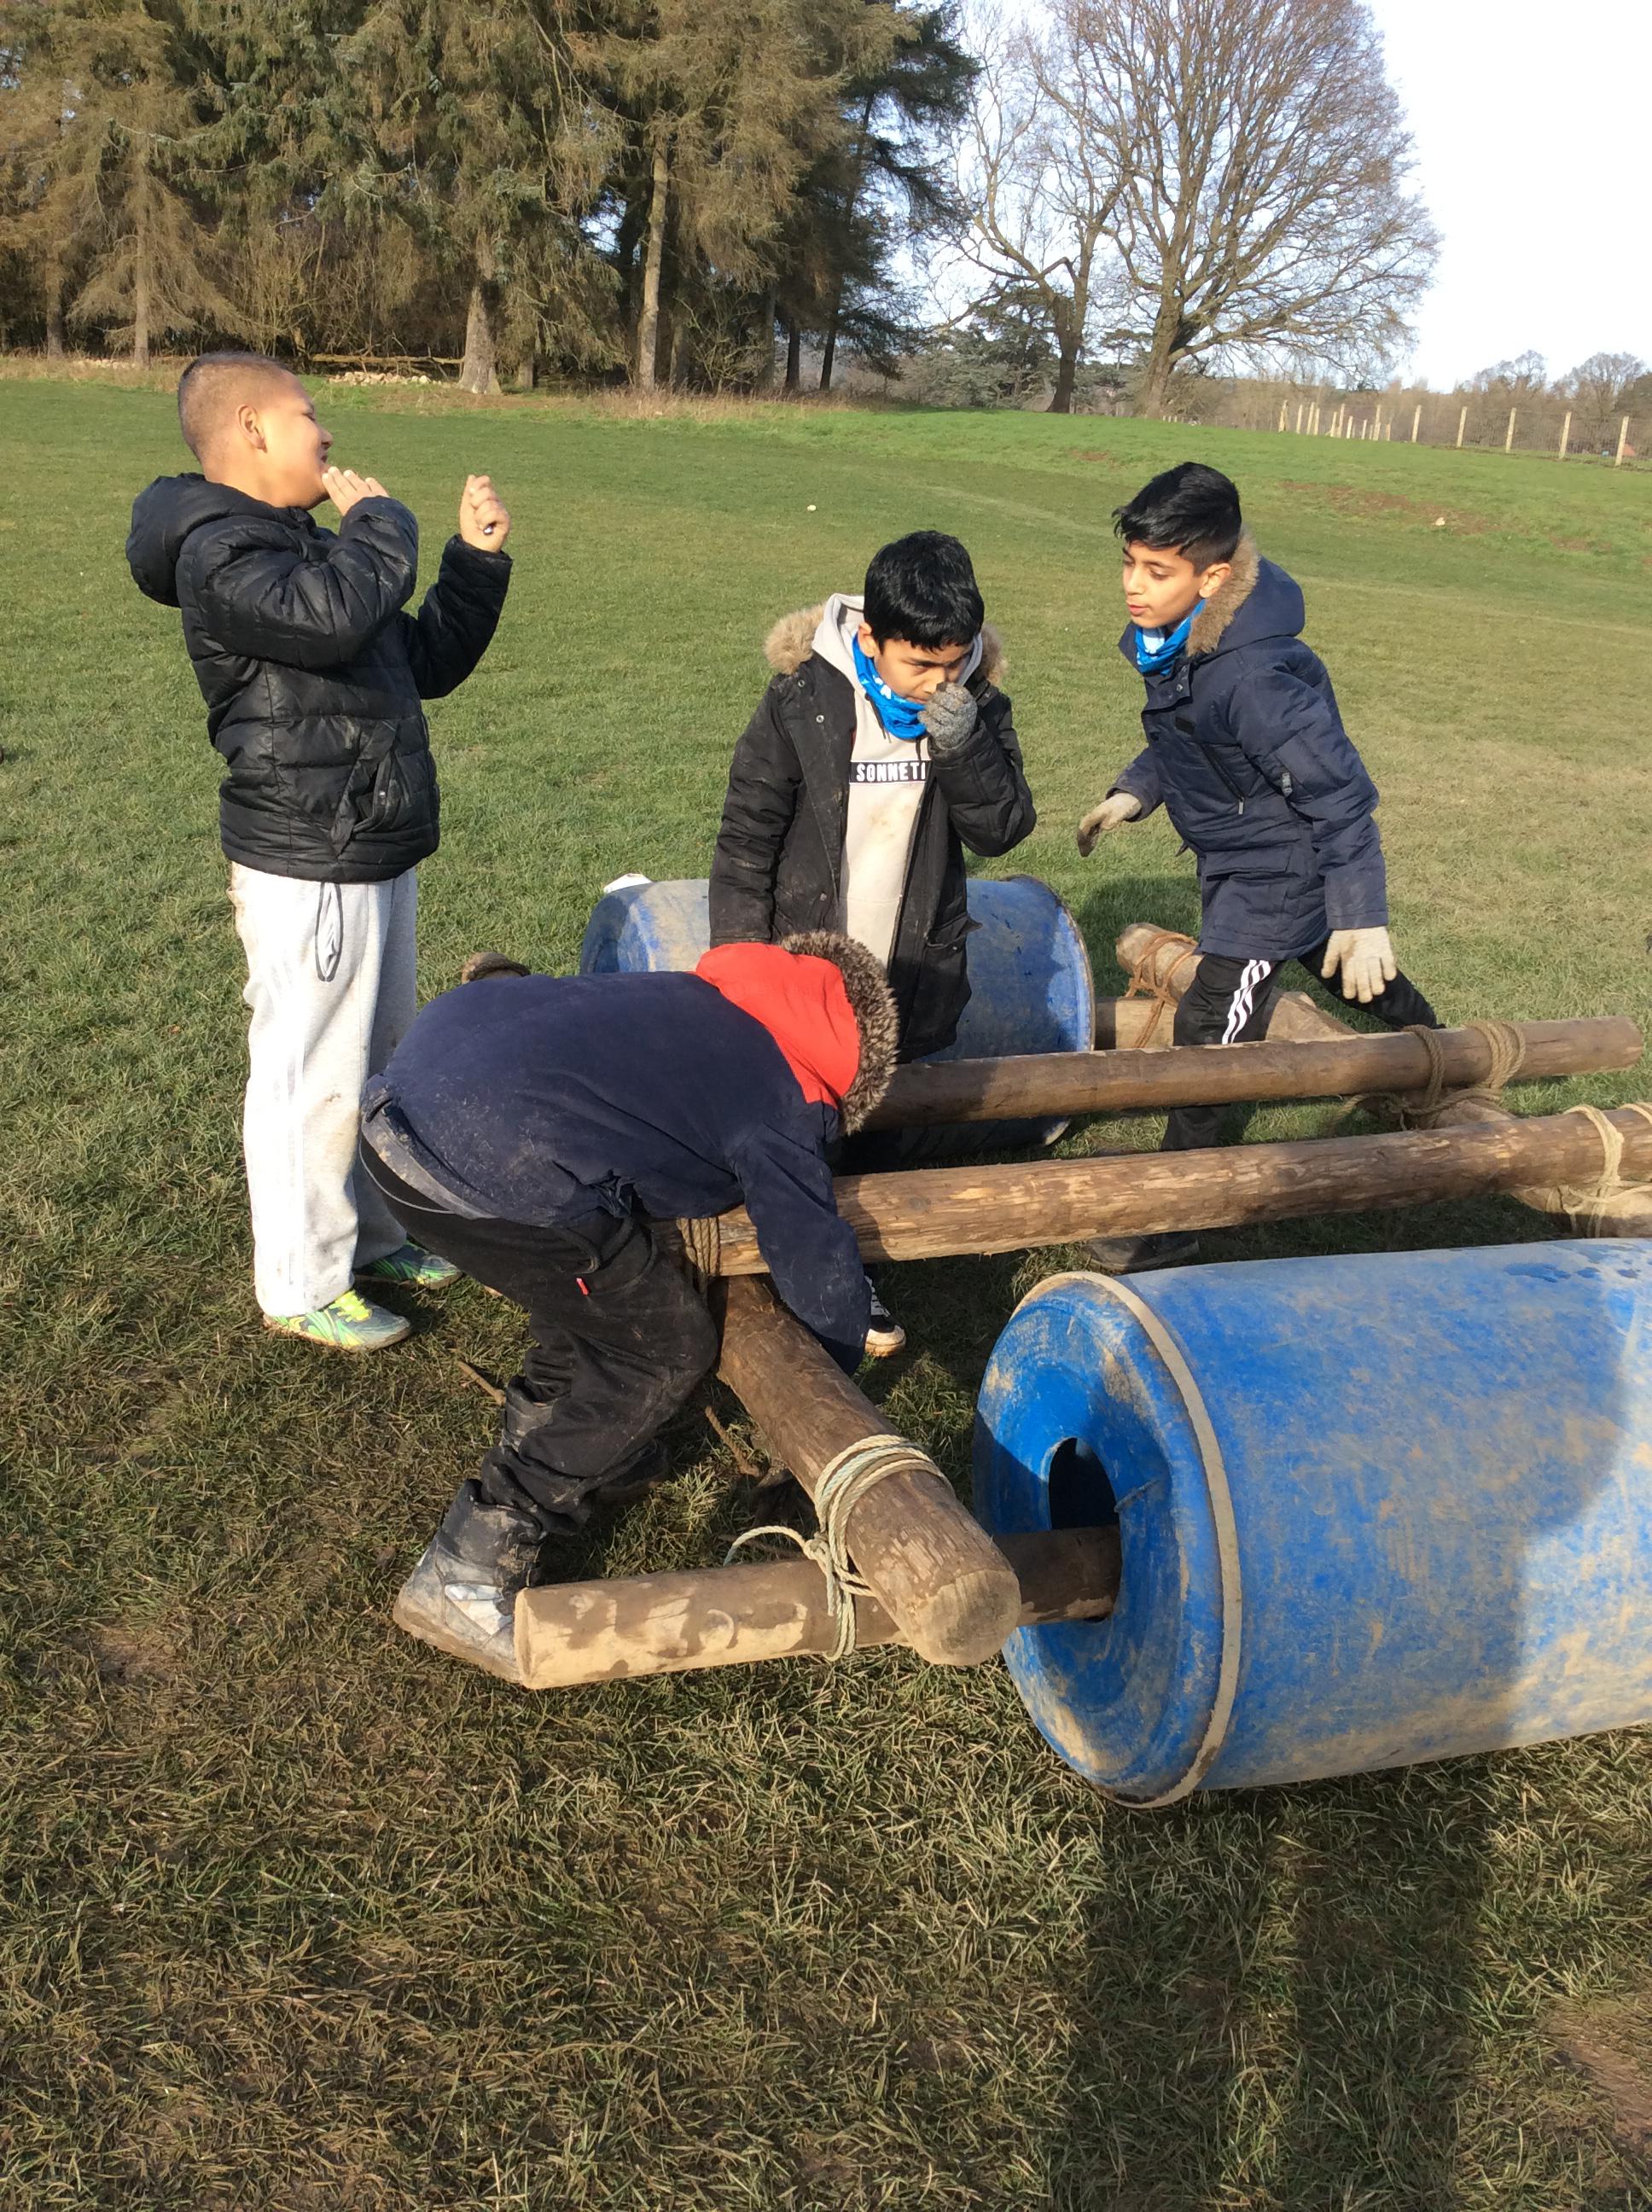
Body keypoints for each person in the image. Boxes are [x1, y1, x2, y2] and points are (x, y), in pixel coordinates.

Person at [358, 932, 898, 1676]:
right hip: (482, 1163)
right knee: (665, 1347)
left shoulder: (697, 998)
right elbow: (813, 1258)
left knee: (584, 1281)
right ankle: (469, 1568)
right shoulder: (788, 1098)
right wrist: (832, 1367)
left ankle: (575, 1442)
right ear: (857, 1070)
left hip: (406, 1106)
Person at [126, 351, 512, 1348]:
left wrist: (472, 564)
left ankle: (374, 1237)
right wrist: (379, 523)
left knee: (376, 1065)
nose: (327, 432)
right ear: (252, 428)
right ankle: (301, 1282)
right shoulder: (220, 552)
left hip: (369, 835)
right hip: (310, 849)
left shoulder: (299, 543)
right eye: (308, 415)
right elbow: (335, 615)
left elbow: (419, 660)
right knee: (313, 1076)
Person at [1076, 461, 1440, 1272]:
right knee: (1351, 979)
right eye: (1130, 563)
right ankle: (1450, 1057)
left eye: (1157, 571)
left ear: (1213, 577)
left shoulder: (1252, 676)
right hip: (1245, 858)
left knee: (1210, 1031)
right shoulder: (1184, 642)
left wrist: (1362, 913)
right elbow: (1190, 737)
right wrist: (1133, 794)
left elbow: (1338, 793)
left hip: (1276, 872)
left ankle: (1182, 1215)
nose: (1133, 585)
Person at [709, 529, 1035, 1352]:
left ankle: (857, 1267)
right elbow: (747, 836)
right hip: (807, 966)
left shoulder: (976, 706)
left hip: (911, 966)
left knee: (880, 1127)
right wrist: (740, 962)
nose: (939, 683)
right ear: (870, 638)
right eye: (920, 666)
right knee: (799, 1124)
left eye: (953, 664)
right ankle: (783, 1269)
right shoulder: (802, 701)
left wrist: (964, 744)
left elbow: (1002, 829)